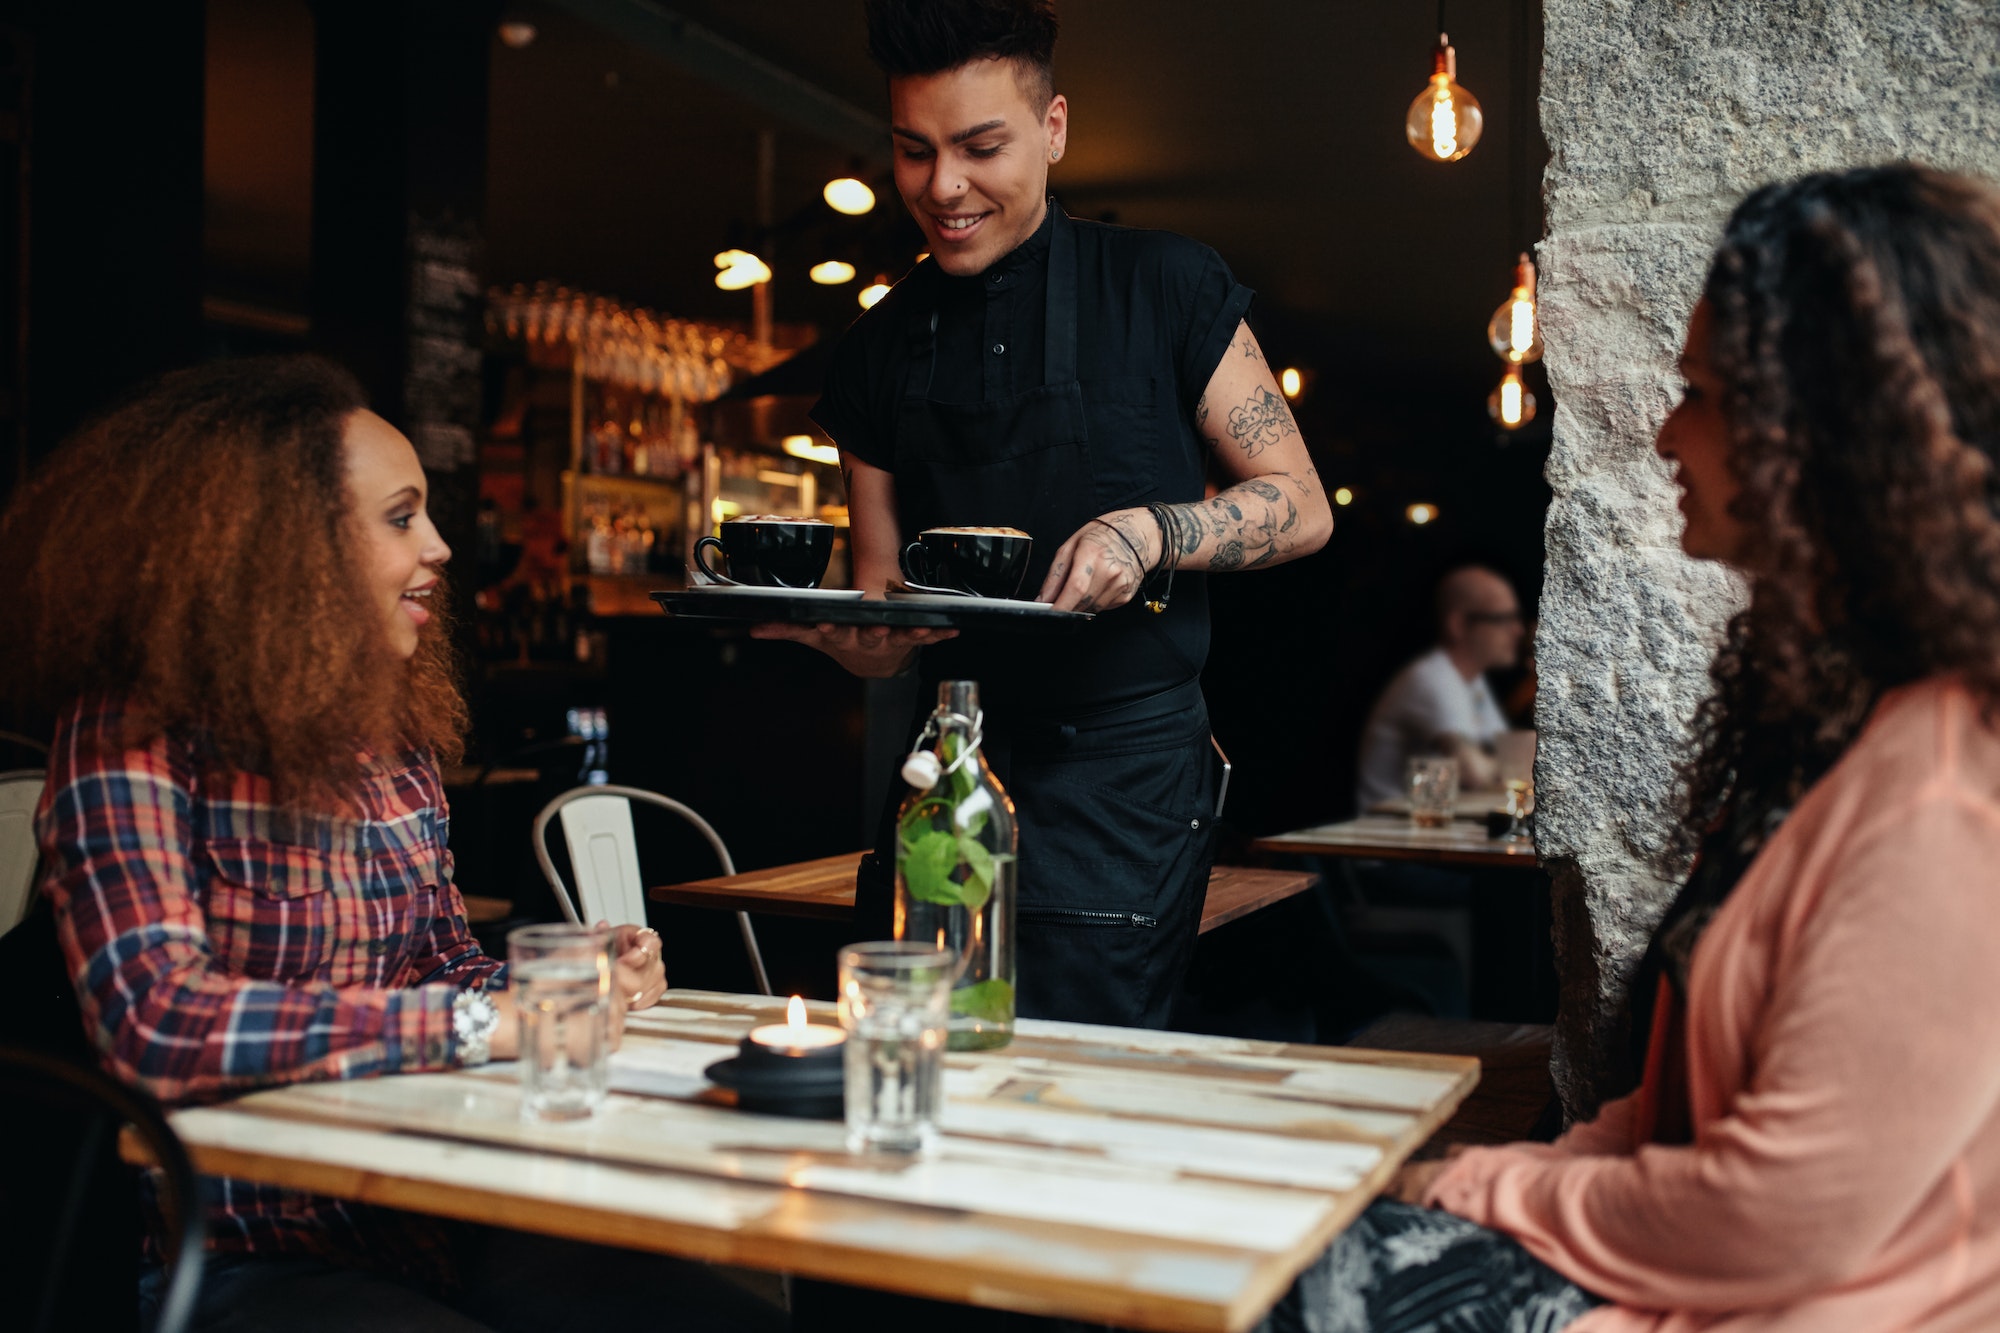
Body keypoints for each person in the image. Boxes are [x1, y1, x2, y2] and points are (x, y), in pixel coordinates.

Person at [1298, 164, 2000, 1331]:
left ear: (1820, 438)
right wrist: (1526, 1175)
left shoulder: (1944, 793)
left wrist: (1477, 1181)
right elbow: (1667, 1119)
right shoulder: (1835, 720)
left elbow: (1770, 1218)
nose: (1665, 432)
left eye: (1702, 394)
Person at [0, 357, 778, 1333]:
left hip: (436, 1209)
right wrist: (475, 1027)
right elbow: (157, 1021)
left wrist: (560, 979)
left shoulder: (391, 736)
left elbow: (439, 962)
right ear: (283, 545)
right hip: (235, 1253)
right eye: (402, 516)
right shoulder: (130, 733)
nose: (443, 546)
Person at [755, 0, 1333, 1030]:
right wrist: (853, 642)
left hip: (1123, 777)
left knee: (1085, 1066)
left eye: (981, 147)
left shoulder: (1167, 286)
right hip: (949, 770)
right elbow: (886, 603)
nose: (943, 187)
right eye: (913, 150)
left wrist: (1148, 532)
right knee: (923, 1046)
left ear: (1053, 128)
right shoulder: (873, 353)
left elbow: (1299, 505)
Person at [1354, 565, 1525, 810]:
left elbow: (1511, 758)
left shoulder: (1473, 681)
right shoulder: (1432, 678)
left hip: (1428, 828)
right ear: (1458, 625)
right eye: (1502, 619)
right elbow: (1474, 773)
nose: (1517, 630)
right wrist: (1507, 767)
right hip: (1388, 834)